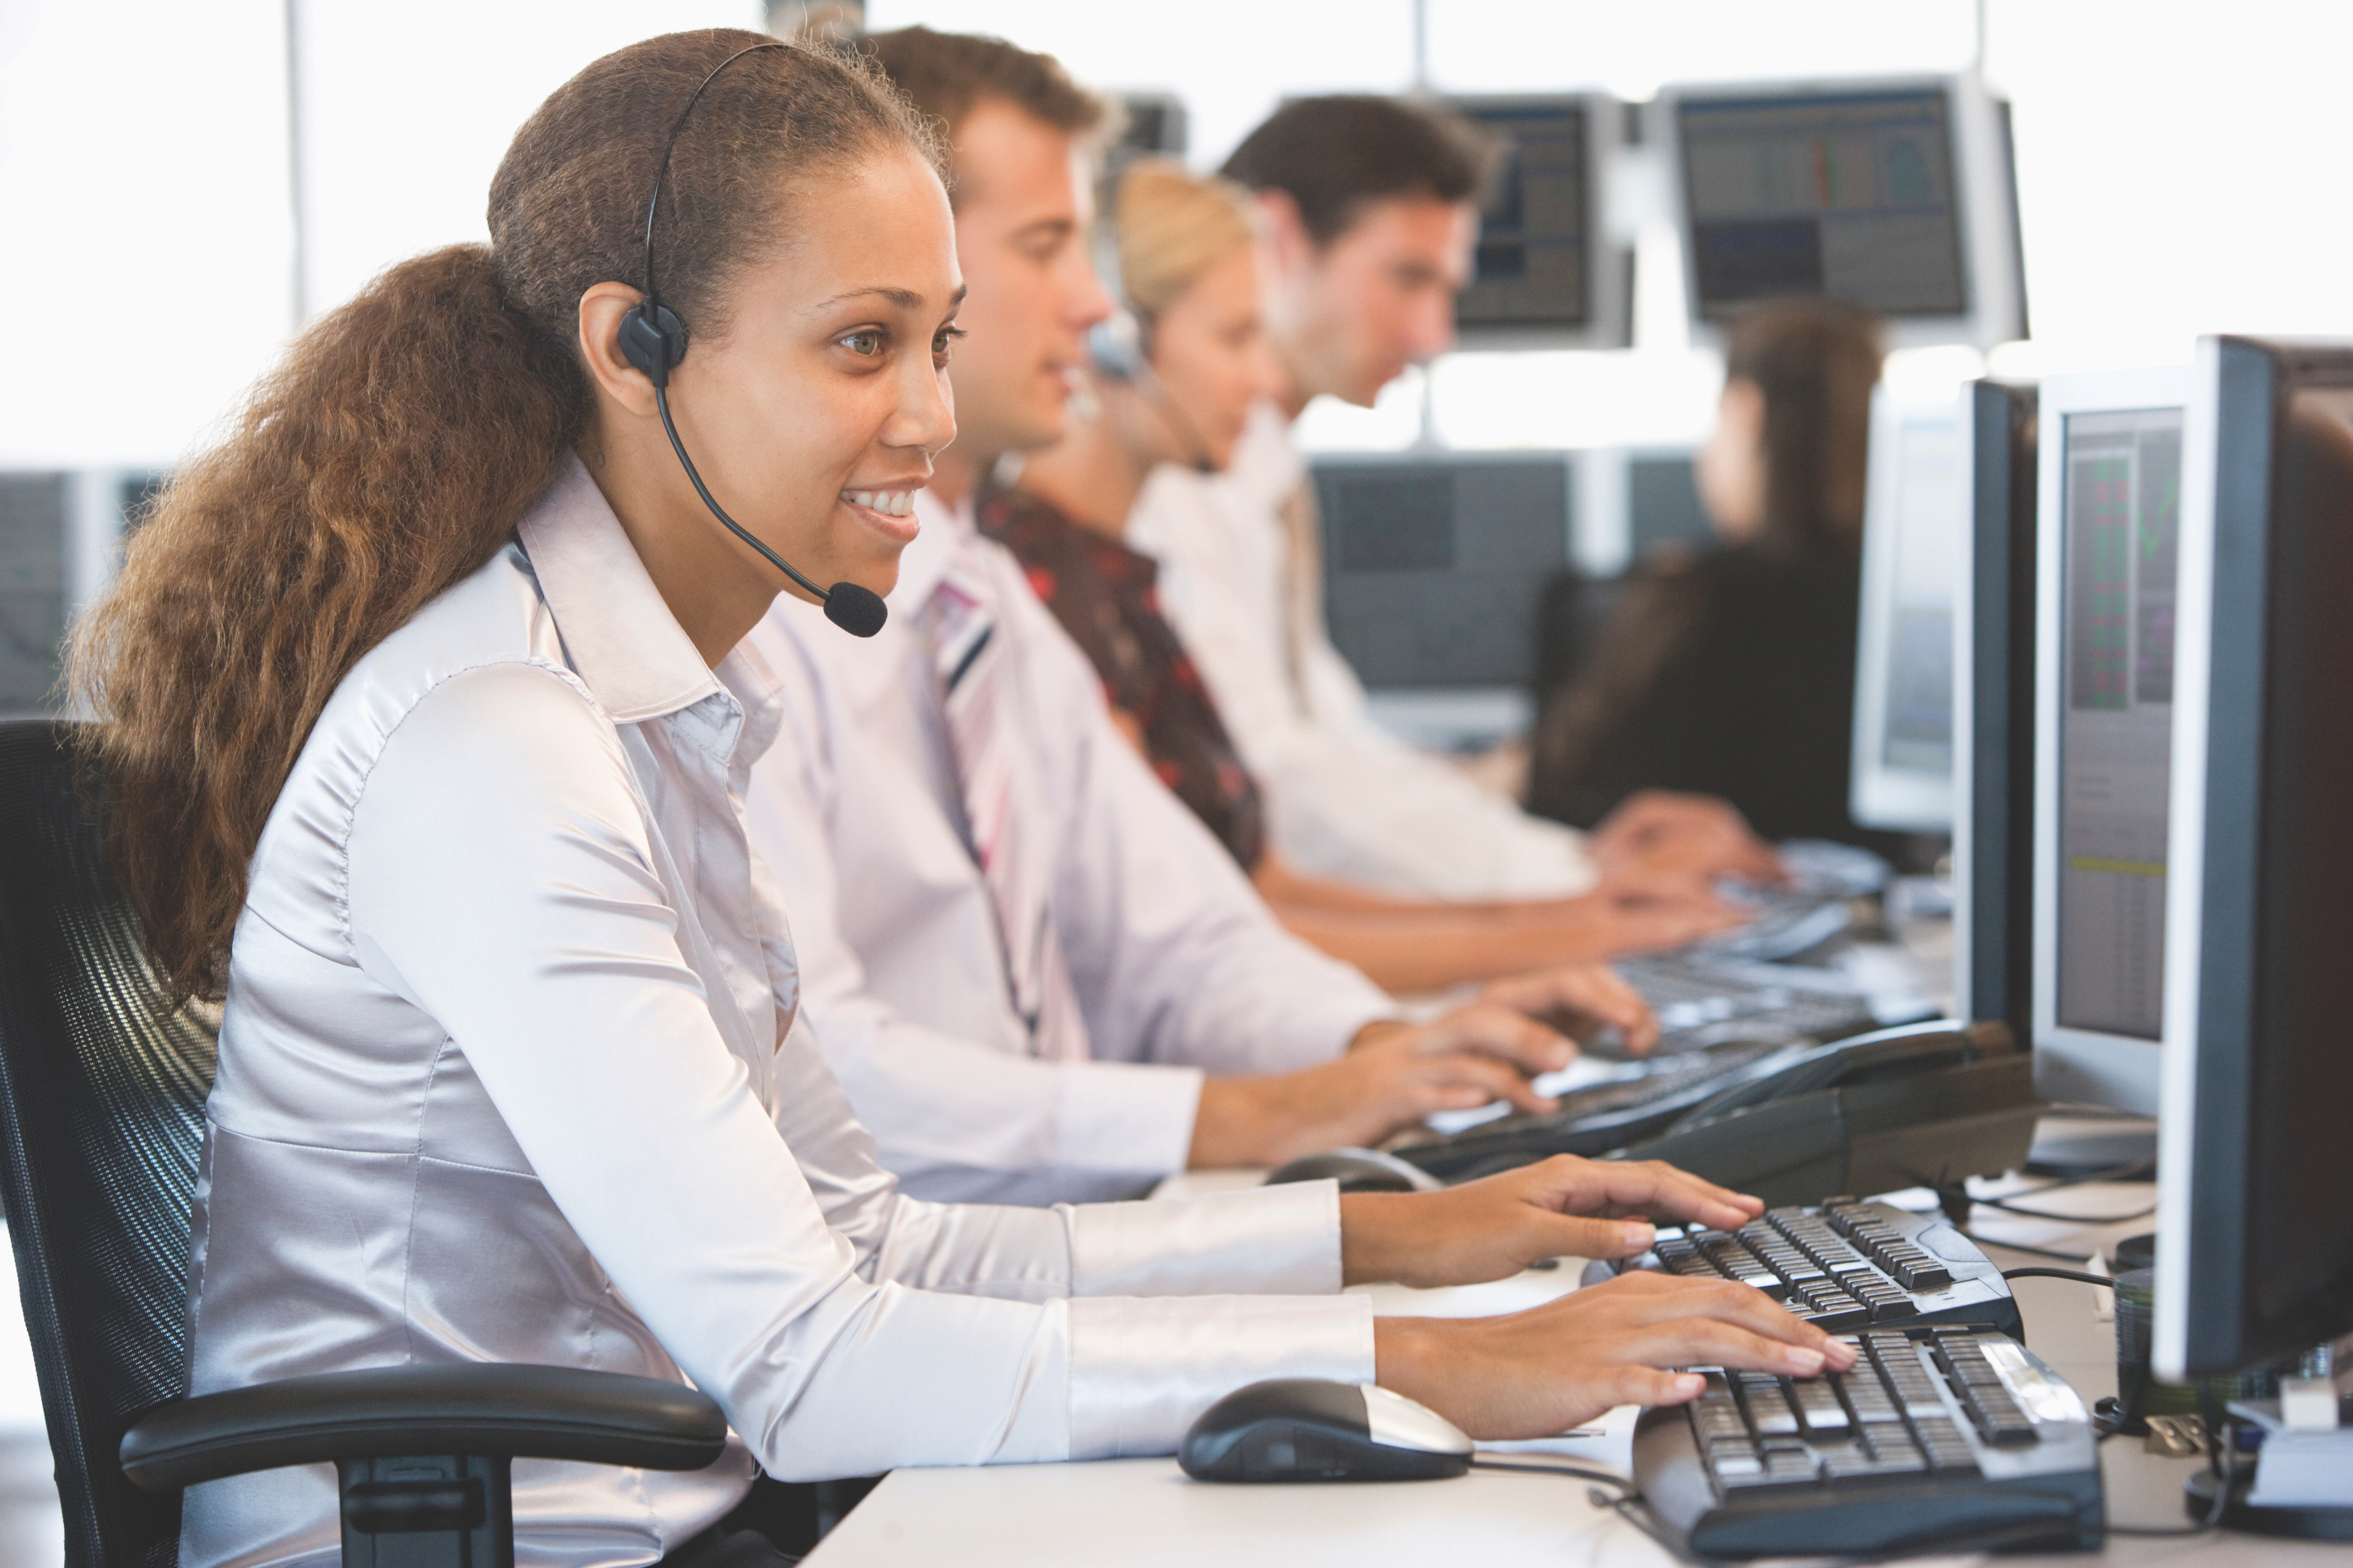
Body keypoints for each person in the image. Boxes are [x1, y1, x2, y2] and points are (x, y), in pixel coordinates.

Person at [67, 33, 1851, 1567]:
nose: (929, 413)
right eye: (861, 344)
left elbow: (872, 1235)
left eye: (939, 339)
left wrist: (1393, 1236)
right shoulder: (495, 743)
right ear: (633, 346)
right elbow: (804, 1354)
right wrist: (1428, 1357)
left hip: (699, 1511)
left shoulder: (658, 703)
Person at [740, 29, 1665, 1209]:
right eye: (1046, 246)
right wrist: (1254, 1114)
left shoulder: (980, 601)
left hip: (1058, 1230)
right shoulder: (756, 627)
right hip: (944, 1251)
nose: (1094, 302)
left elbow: (1186, 937)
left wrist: (1383, 1047)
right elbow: (828, 1077)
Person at [1002, 160, 1742, 992]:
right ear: (1114, 343)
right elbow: (1219, 911)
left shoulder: (1125, 579)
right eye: (1236, 338)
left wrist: (1577, 909)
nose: (1266, 378)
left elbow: (1263, 874)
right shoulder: (1054, 586)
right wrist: (1570, 913)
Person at [1128, 97, 1779, 904]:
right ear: (1278, 239)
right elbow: (1283, 789)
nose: (1432, 334)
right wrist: (1582, 879)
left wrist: (1570, 850)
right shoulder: (1174, 487)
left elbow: (1335, 750)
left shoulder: (1264, 475)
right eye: (1407, 278)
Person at [1526, 298, 1892, 848]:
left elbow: (1561, 809)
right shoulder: (1915, 608)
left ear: (1746, 414)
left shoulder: (1677, 604)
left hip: (1677, 894)